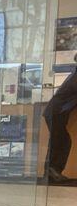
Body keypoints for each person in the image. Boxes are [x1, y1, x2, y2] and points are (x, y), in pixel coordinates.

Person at [44, 56, 77, 184]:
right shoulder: (75, 77)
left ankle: (51, 172)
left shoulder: (74, 74)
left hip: (55, 112)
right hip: (56, 113)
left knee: (57, 141)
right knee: (62, 141)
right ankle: (53, 171)